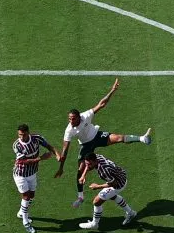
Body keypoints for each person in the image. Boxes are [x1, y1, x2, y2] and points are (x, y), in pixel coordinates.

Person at [57, 78, 152, 208]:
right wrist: (61, 168)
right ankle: (80, 197)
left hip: (96, 136)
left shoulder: (86, 116)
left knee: (118, 138)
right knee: (80, 172)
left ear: (79, 117)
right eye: (69, 119)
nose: (71, 121)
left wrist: (112, 90)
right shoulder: (69, 130)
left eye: (73, 118)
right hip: (86, 145)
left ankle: (142, 138)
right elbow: (65, 150)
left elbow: (101, 104)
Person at [12, 124, 60, 233]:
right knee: (26, 196)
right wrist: (41, 158)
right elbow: (23, 161)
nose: (22, 137)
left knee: (32, 195)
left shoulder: (36, 138)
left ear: (28, 132)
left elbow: (49, 146)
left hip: (32, 173)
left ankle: (21, 213)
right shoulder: (17, 145)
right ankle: (26, 222)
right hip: (20, 174)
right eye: (20, 135)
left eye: (23, 135)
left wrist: (57, 154)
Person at [77, 152, 138, 230]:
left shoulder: (104, 171)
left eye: (90, 164)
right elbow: (87, 165)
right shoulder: (97, 157)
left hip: (118, 184)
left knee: (97, 202)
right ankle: (131, 213)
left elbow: (113, 184)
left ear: (95, 161)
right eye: (87, 163)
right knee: (112, 196)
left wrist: (97, 186)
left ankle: (94, 224)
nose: (88, 166)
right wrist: (83, 176)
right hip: (120, 175)